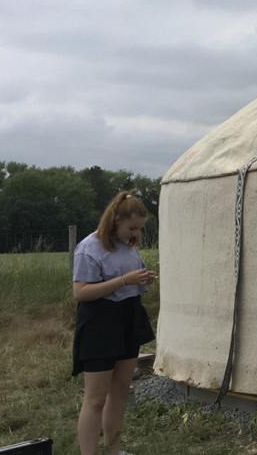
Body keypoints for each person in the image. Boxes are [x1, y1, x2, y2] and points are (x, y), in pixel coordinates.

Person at [72, 190, 157, 455]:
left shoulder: (128, 245)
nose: (134, 234)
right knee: (96, 398)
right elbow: (80, 292)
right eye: (131, 228)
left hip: (128, 318)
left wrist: (143, 278)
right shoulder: (89, 247)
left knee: (120, 391)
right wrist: (124, 281)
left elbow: (129, 278)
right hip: (100, 323)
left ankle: (113, 451)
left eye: (139, 229)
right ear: (116, 219)